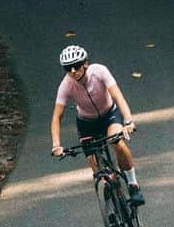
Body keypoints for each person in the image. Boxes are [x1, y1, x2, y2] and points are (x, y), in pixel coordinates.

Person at [50, 44, 145, 205]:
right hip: (86, 123)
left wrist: (128, 120)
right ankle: (111, 205)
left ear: (85, 64)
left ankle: (133, 185)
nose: (73, 71)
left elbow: (118, 97)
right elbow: (56, 117)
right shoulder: (66, 85)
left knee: (117, 142)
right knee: (98, 173)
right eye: (67, 68)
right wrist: (56, 145)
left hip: (109, 115)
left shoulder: (99, 71)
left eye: (76, 66)